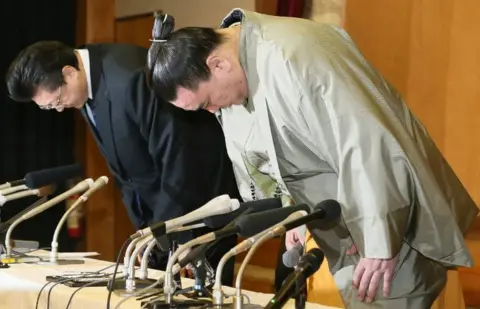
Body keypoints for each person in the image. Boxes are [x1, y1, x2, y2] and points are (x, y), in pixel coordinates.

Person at [145, 9, 479, 308]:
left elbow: (366, 142)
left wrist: (379, 241)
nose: (214, 111)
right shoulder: (246, 60)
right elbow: (282, 153)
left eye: (206, 103)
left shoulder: (294, 54)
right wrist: (294, 213)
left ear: (218, 64)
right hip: (340, 223)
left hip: (388, 217)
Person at [5, 41, 240, 285]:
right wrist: (146, 233)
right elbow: (128, 173)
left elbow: (182, 160)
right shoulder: (88, 82)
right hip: (162, 220)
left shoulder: (130, 77)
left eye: (56, 101)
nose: (59, 110)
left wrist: (169, 233)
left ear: (68, 72)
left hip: (196, 211)